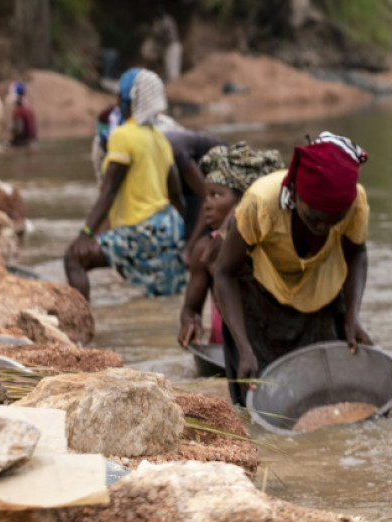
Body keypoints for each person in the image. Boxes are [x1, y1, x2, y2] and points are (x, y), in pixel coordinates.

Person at [213, 131, 373, 406]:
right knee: (260, 403)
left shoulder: (354, 202)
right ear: (296, 192)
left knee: (328, 399)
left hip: (322, 298)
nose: (323, 227)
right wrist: (244, 347)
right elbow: (224, 272)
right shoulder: (261, 202)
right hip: (261, 304)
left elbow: (357, 253)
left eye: (334, 220)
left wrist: (352, 316)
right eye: (314, 217)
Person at [64, 68, 186, 301]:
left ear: (126, 99)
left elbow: (109, 190)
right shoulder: (160, 138)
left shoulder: (122, 136)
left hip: (140, 228)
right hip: (168, 226)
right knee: (163, 297)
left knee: (73, 258)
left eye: (119, 95)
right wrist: (180, 238)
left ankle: (80, 330)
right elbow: (177, 194)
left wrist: (86, 234)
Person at [177, 141, 284, 348]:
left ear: (245, 201)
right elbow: (190, 309)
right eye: (205, 196)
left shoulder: (273, 244)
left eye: (216, 195)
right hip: (226, 351)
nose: (206, 205)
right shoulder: (204, 250)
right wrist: (190, 323)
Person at [164, 129, 227, 244]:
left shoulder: (176, 152)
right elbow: (175, 197)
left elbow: (205, 197)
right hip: (197, 183)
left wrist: (191, 244)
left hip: (223, 176)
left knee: (201, 242)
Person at [9, 82, 36, 147]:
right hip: (30, 142)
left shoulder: (19, 111)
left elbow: (19, 130)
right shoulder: (28, 108)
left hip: (22, 143)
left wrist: (12, 142)